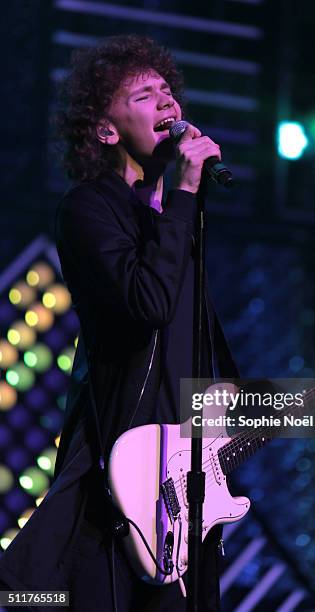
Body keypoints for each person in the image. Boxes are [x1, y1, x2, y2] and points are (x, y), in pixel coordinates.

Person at [0, 34, 239, 611]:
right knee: (61, 593)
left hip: (183, 489)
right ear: (106, 130)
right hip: (122, 473)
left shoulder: (182, 221)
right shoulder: (89, 209)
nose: (166, 102)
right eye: (143, 94)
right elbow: (146, 304)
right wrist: (181, 194)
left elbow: (196, 353)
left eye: (167, 91)